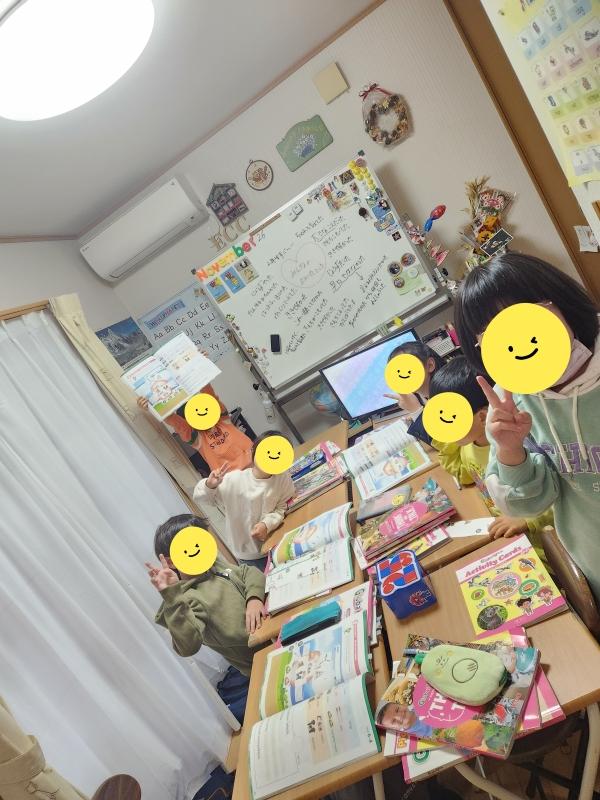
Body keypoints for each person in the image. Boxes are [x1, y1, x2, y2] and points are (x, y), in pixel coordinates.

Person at [454, 253, 600, 601]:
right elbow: (527, 505)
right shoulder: (513, 403)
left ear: (561, 302)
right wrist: (510, 450)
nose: (520, 340)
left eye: (526, 316)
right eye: (495, 335)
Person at [427, 356, 554, 555]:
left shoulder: (520, 447)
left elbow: (556, 493)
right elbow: (464, 476)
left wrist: (527, 519)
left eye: (449, 419)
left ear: (483, 417)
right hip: (504, 534)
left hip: (541, 540)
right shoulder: (468, 447)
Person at [146, 514, 267, 676]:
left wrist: (254, 599)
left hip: (271, 625)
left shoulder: (215, 565)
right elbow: (187, 646)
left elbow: (248, 572)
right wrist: (172, 596)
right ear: (171, 562)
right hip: (261, 661)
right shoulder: (188, 598)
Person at [193, 430, 295, 571]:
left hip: (276, 541)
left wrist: (267, 524)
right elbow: (202, 498)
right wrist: (209, 485)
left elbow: (282, 507)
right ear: (253, 451)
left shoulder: (283, 478)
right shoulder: (234, 480)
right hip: (249, 555)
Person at [137, 349, 252, 473]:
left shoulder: (222, 419)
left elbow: (210, 395)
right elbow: (174, 421)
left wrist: (199, 365)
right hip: (231, 477)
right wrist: (151, 405)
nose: (202, 412)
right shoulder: (196, 438)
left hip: (255, 461)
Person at [384, 341, 444, 446]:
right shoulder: (420, 394)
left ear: (430, 365)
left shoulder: (449, 393)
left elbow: (446, 444)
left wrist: (416, 411)